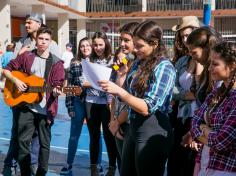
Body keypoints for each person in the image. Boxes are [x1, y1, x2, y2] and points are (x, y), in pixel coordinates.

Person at [99, 20, 176, 176]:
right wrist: (120, 77)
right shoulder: (137, 63)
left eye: (139, 45)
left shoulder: (164, 66)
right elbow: (128, 98)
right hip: (133, 130)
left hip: (152, 133)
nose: (135, 49)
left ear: (154, 43)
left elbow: (147, 107)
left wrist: (119, 92)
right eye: (133, 44)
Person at [1, 13, 61, 176]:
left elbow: (59, 80)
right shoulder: (25, 50)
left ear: (50, 41)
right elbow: (8, 69)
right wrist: (16, 81)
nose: (42, 42)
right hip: (24, 104)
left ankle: (39, 170)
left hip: (44, 106)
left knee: (43, 143)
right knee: (21, 140)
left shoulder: (55, 59)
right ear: (37, 40)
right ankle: (20, 169)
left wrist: (57, 90)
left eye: (46, 39)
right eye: (40, 39)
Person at [181, 26, 224, 174]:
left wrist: (199, 132)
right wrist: (194, 132)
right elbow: (203, 110)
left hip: (219, 156)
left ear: (207, 48)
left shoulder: (224, 84)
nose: (191, 56)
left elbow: (220, 134)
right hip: (206, 148)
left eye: (194, 52)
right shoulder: (209, 75)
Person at [190, 41, 236, 175]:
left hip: (226, 170)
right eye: (210, 63)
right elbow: (194, 123)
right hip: (205, 165)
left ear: (232, 66)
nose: (209, 68)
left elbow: (221, 142)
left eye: (215, 64)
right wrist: (208, 132)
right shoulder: (215, 93)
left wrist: (204, 131)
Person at [60, 37, 103, 175]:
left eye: (88, 45)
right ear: (79, 48)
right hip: (78, 103)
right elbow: (71, 87)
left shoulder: (99, 62)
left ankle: (97, 164)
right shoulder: (75, 63)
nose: (85, 48)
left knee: (95, 135)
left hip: (94, 103)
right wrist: (70, 106)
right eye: (82, 46)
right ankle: (68, 163)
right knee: (74, 135)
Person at [167, 16, 202, 176]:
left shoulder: (209, 61)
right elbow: (171, 89)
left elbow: (205, 93)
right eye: (183, 37)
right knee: (175, 164)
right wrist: (186, 95)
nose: (186, 39)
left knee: (192, 165)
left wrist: (199, 64)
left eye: (189, 35)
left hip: (200, 121)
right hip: (181, 118)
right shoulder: (182, 60)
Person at [86, 31, 118, 176]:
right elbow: (83, 82)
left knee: (108, 135)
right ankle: (93, 167)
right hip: (91, 101)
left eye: (100, 45)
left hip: (107, 103)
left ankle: (112, 167)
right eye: (95, 45)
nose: (98, 48)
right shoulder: (88, 60)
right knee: (94, 136)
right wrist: (96, 83)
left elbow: (115, 80)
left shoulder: (113, 61)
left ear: (106, 44)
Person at [108, 22, 139, 172]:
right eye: (121, 40)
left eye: (126, 40)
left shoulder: (140, 66)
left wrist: (118, 121)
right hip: (117, 123)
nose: (122, 44)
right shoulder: (119, 64)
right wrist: (112, 120)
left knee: (131, 168)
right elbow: (114, 94)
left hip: (130, 122)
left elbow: (130, 97)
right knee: (123, 167)